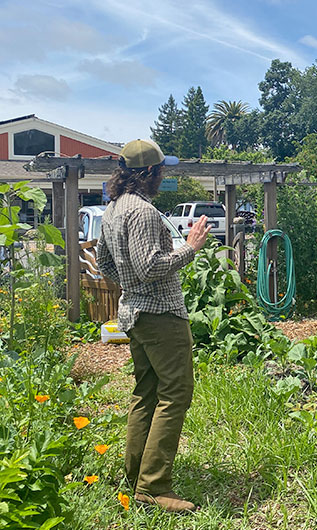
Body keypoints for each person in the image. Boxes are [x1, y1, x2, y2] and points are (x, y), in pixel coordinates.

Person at [96, 139, 210, 513]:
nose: (164, 175)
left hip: (134, 313)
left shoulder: (113, 209)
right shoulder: (143, 212)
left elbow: (105, 265)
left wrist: (129, 286)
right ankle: (153, 486)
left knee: (146, 391)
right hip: (160, 313)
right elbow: (151, 267)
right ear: (148, 173)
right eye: (161, 170)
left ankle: (134, 476)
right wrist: (190, 247)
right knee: (175, 392)